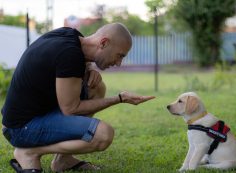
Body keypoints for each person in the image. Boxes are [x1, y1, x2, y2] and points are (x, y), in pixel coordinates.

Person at [1, 23, 155, 173]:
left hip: (27, 117)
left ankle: (63, 160)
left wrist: (90, 68)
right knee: (103, 134)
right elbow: (70, 109)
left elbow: (70, 61)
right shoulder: (69, 55)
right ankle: (30, 152)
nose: (119, 63)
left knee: (97, 87)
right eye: (120, 55)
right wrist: (119, 98)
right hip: (21, 128)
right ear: (103, 43)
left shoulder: (71, 35)